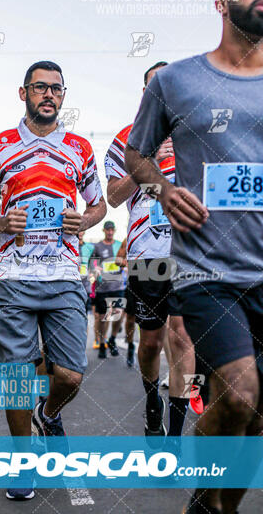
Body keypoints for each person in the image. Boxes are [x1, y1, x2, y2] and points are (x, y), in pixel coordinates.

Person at [125, 0, 263, 514]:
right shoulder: (176, 80)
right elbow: (136, 155)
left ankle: (213, 507)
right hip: (205, 271)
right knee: (236, 394)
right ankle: (212, 504)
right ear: (222, 0)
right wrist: (161, 187)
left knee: (255, 413)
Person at [0, 60, 106, 500]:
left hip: (63, 273)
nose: (49, 95)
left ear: (63, 96)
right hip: (11, 276)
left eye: (56, 89)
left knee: (69, 375)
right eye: (40, 87)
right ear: (23, 93)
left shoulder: (80, 148)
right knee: (16, 374)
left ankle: (48, 413)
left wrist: (83, 218)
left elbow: (99, 206)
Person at [106, 62, 195, 443]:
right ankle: (150, 401)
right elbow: (112, 196)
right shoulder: (127, 138)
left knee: (181, 337)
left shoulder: (198, 133)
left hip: (190, 253)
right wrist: (147, 162)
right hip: (148, 256)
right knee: (151, 343)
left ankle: (174, 436)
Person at [90, 221, 125, 359]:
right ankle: (103, 343)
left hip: (117, 285)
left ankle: (112, 339)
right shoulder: (98, 246)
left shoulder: (119, 245)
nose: (110, 232)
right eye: (107, 230)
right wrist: (95, 269)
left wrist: (123, 265)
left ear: (114, 231)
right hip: (103, 288)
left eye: (112, 230)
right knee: (104, 318)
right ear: (103, 231)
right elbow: (92, 264)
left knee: (118, 314)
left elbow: (124, 259)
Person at [115, 238, 136, 367]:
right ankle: (130, 346)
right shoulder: (128, 238)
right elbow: (117, 260)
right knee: (130, 320)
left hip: (158, 282)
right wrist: (127, 263)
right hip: (134, 283)